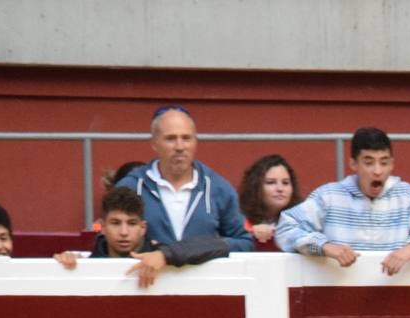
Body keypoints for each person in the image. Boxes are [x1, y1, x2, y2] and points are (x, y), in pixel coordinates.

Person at [277, 126, 410, 274]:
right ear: (353, 164)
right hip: (336, 294)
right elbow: (286, 227)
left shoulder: (409, 197)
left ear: (392, 164)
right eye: (369, 162)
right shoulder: (328, 196)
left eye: (384, 162)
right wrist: (326, 247)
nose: (378, 171)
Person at [115, 105, 254, 254]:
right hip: (146, 276)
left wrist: (202, 248)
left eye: (186, 138)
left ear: (195, 142)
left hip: (205, 277)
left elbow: (244, 243)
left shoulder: (218, 188)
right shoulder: (130, 186)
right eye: (171, 139)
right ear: (154, 143)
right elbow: (105, 240)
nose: (180, 146)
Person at [55, 184, 231, 287]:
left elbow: (220, 246)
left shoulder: (159, 253)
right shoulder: (87, 261)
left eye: (132, 223)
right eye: (116, 223)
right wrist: (64, 262)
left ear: (143, 228)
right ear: (102, 227)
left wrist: (165, 255)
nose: (124, 232)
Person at [236, 154, 301, 249]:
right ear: (255, 187)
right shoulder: (237, 217)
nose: (280, 189)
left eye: (285, 183)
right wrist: (250, 232)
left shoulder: (303, 218)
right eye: (271, 182)